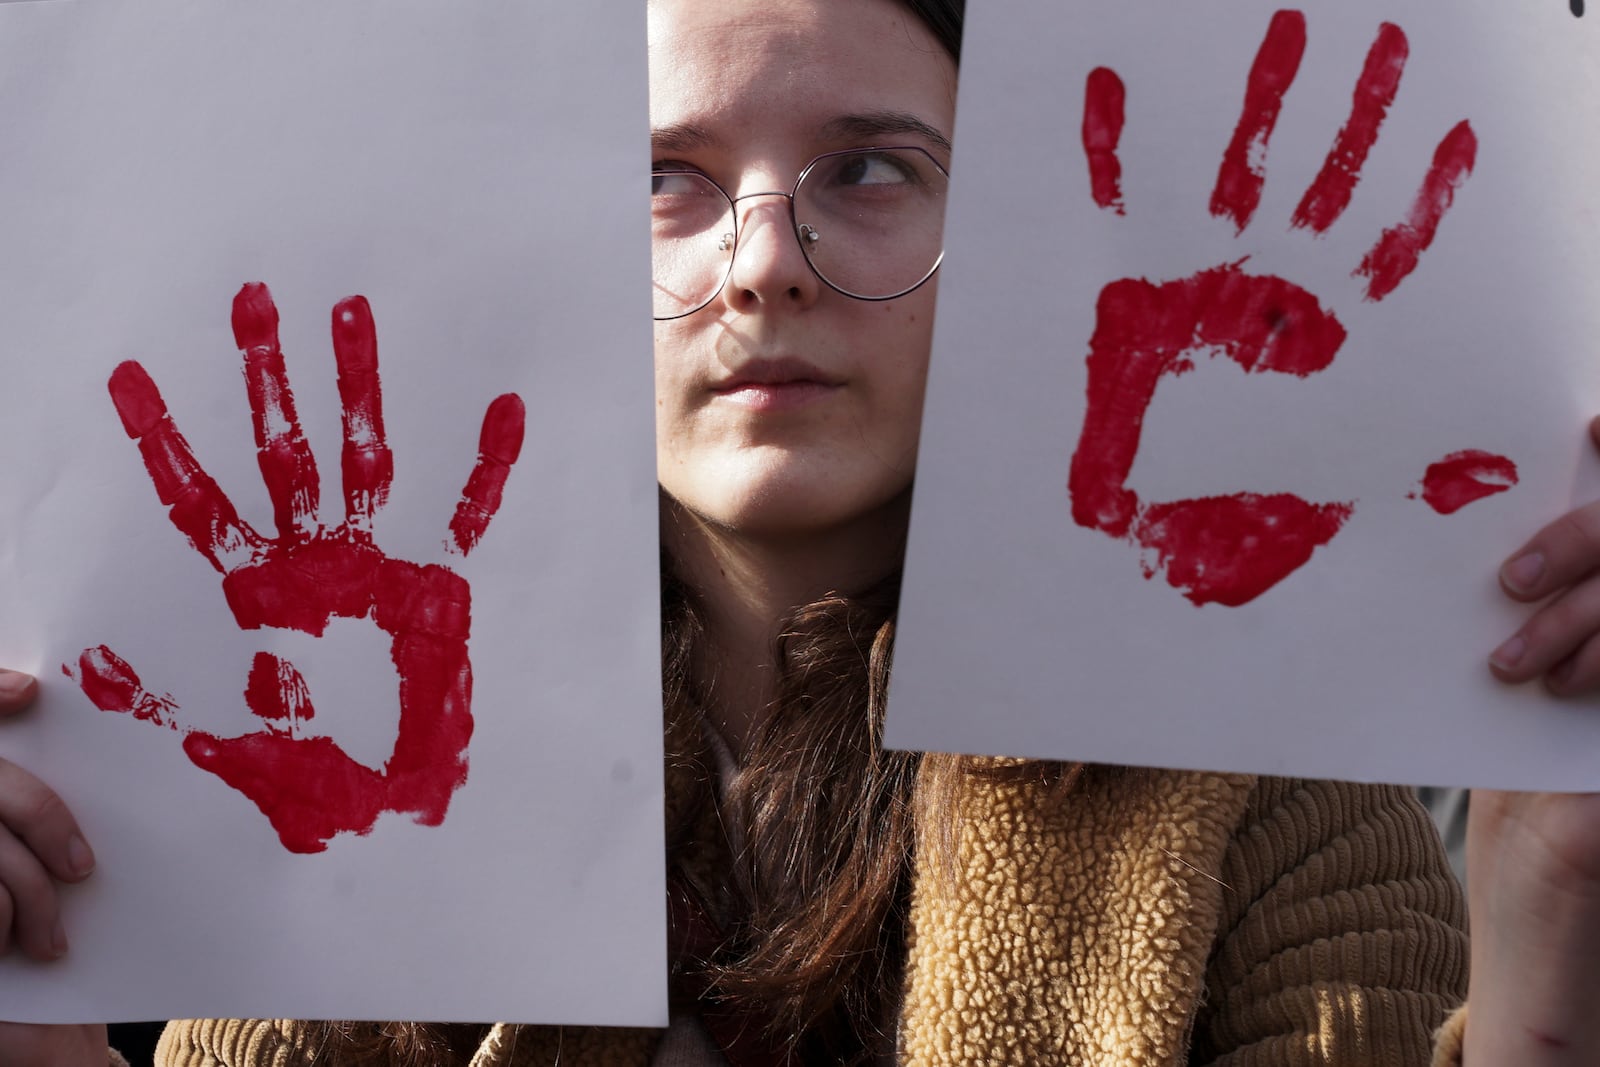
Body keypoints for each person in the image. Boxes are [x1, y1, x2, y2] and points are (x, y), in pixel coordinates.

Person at [5, 0, 1600, 1063]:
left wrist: (1548, 909)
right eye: (667, 183)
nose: (764, 263)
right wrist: (37, 1004)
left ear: (1036, 230)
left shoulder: (1262, 789)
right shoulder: (346, 791)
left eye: (868, 168)